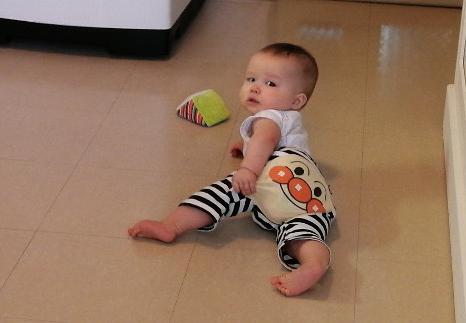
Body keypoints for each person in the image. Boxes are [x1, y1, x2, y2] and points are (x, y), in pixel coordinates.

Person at [128, 43, 335, 297]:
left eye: (271, 83)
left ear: (297, 100)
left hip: (271, 178)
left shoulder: (268, 118)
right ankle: (314, 263)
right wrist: (247, 146)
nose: (255, 87)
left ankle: (172, 225)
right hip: (310, 192)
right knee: (304, 227)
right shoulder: (290, 118)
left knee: (220, 193)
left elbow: (265, 140)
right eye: (251, 78)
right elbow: (268, 142)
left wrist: (248, 167)